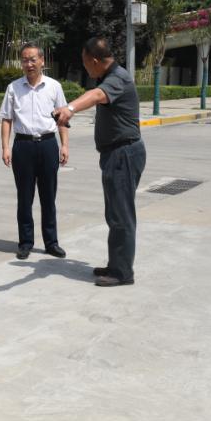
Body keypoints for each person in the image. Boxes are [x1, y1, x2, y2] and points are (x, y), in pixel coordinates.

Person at [54, 37, 145, 288]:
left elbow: (95, 96)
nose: (85, 69)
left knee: (121, 214)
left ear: (94, 61)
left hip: (123, 154)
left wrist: (70, 108)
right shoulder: (110, 77)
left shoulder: (118, 78)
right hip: (116, 154)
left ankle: (122, 273)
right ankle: (116, 264)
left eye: (85, 63)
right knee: (115, 213)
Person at [0, 44, 69, 260]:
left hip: (48, 145)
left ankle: (51, 242)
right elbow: (7, 119)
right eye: (24, 60)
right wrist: (5, 147)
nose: (28, 64)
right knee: (24, 197)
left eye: (32, 59)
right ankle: (25, 242)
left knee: (48, 197)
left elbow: (63, 119)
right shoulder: (13, 88)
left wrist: (64, 145)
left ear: (42, 61)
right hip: (23, 146)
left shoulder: (54, 87)